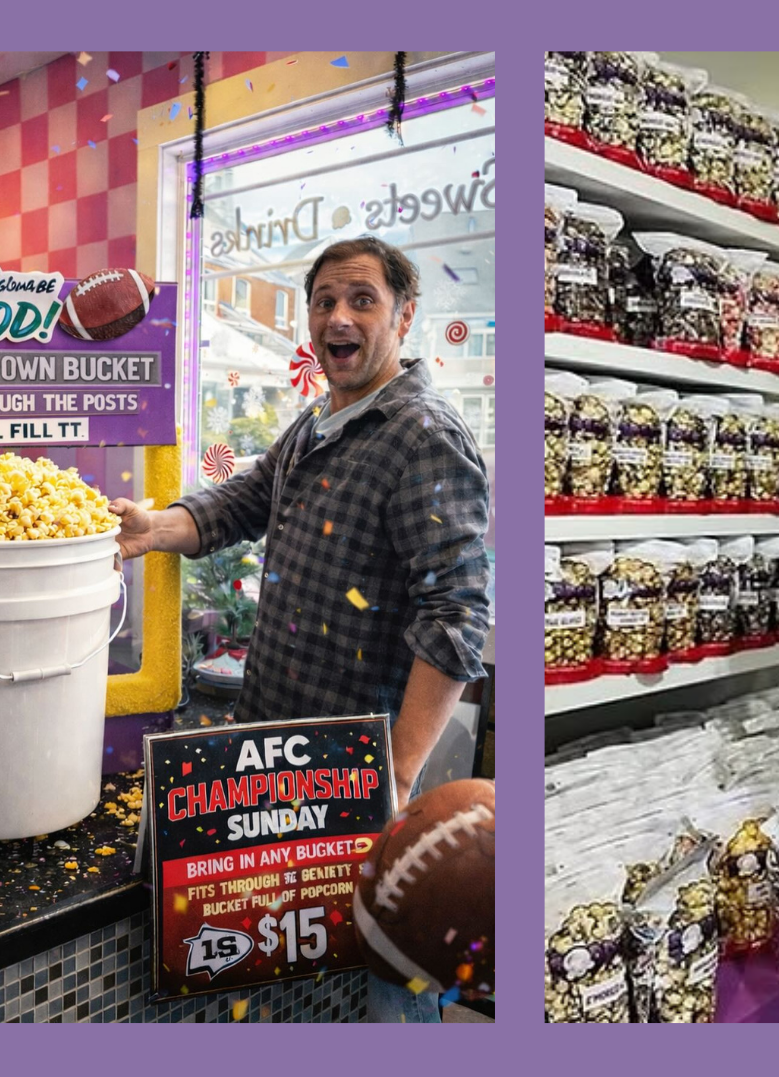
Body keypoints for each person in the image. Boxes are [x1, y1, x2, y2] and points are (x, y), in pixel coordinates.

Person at [110, 236, 491, 1023]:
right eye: (323, 301)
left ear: (405, 316)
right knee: (299, 969)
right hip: (279, 756)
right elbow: (242, 501)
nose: (337, 317)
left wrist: (396, 772)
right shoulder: (321, 420)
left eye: (361, 299)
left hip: (354, 770)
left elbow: (457, 620)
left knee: (382, 967)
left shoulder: (424, 435)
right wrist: (154, 528)